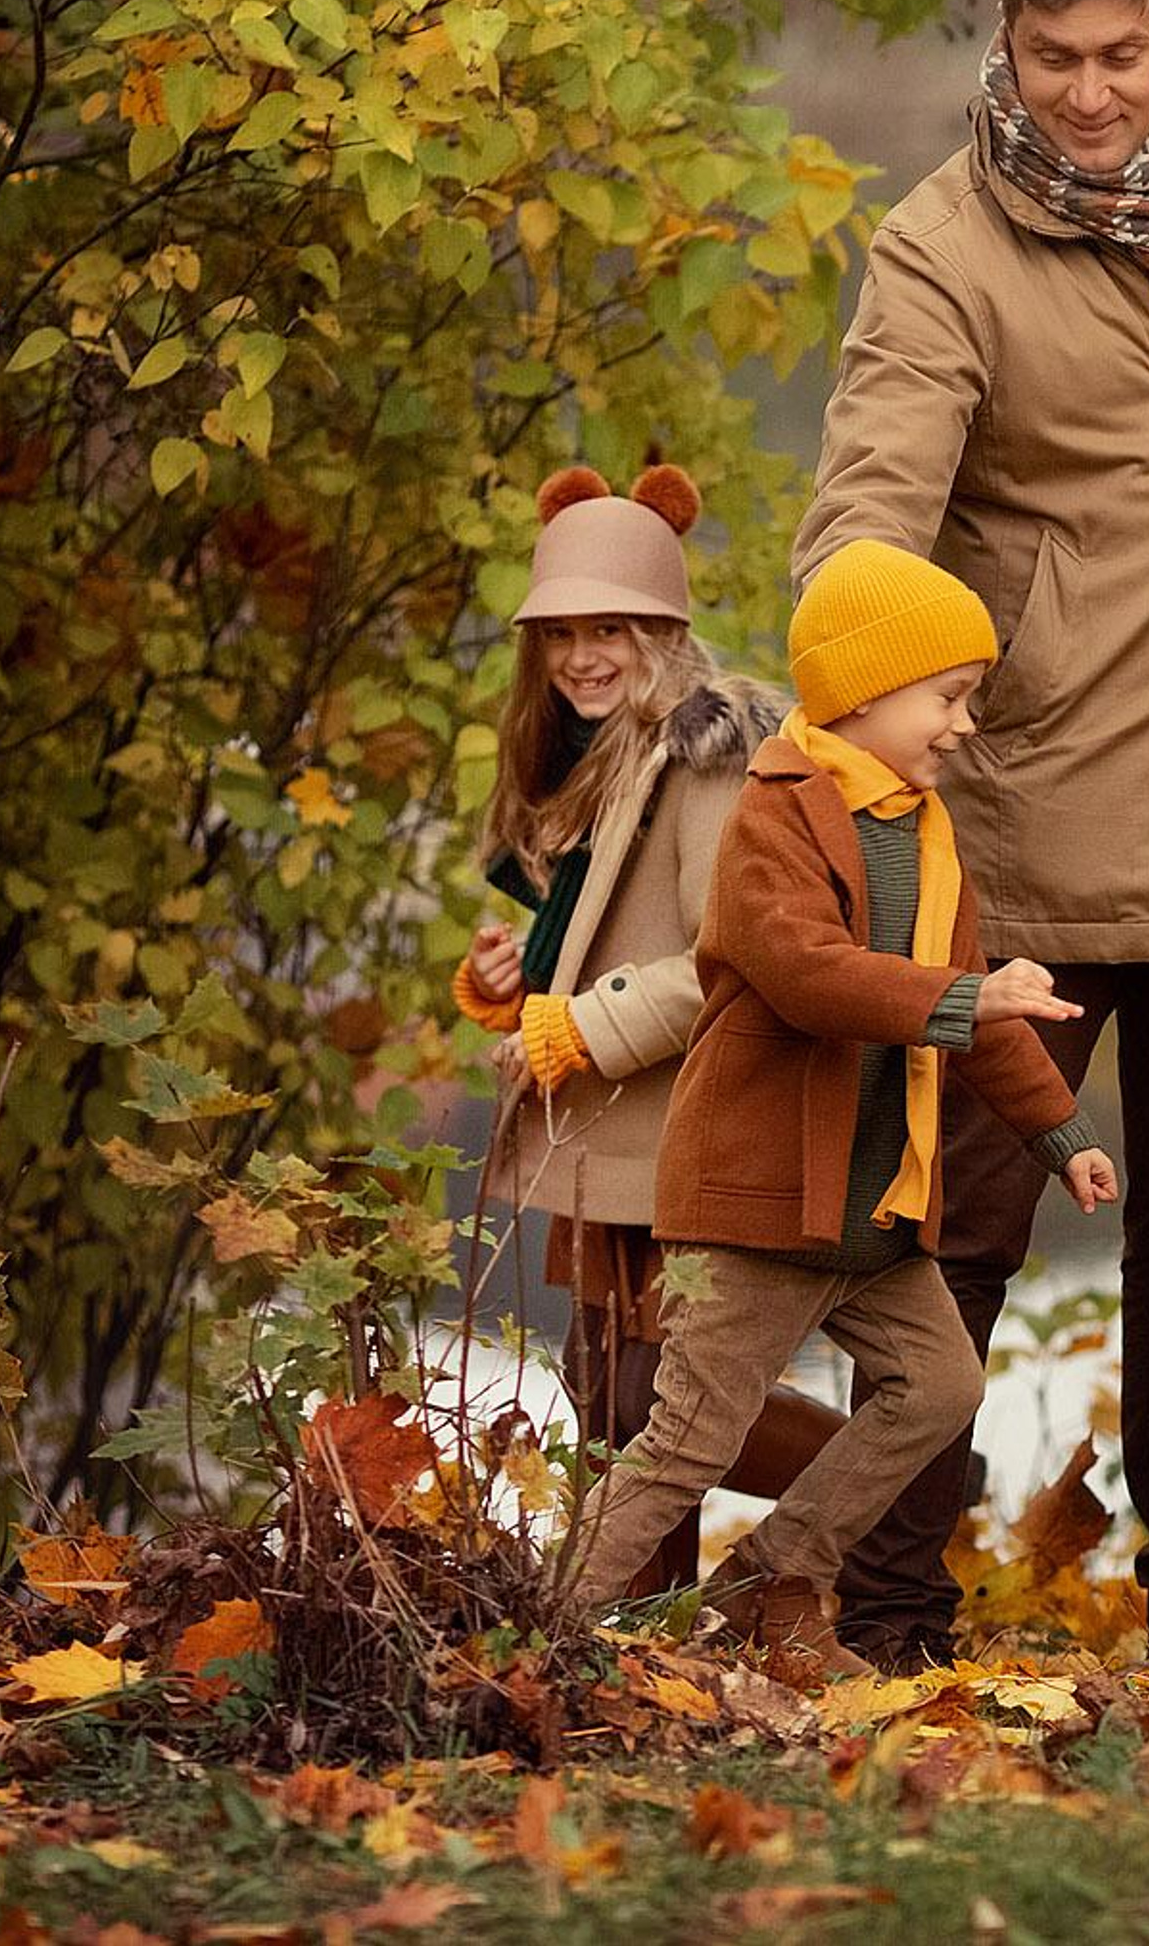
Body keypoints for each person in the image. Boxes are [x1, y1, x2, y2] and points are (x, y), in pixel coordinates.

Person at [795, 0, 1149, 1665]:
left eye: (1120, 54)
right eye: (1053, 58)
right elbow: (865, 523)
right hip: (1032, 816)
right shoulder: (940, 250)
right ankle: (885, 1607)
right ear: (1006, 44)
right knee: (957, 1230)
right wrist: (859, 722)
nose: (1089, 94)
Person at [558, 541, 1119, 1678]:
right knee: (687, 1440)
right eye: (946, 697)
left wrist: (1060, 1135)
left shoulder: (925, 829)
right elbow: (806, 975)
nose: (962, 725)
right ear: (864, 691)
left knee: (941, 1385)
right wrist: (963, 999)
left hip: (873, 1203)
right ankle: (527, 1630)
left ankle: (776, 1576)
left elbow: (970, 1004)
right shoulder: (776, 815)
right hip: (764, 1198)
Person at [460, 462, 839, 1592]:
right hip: (602, 1133)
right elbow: (590, 939)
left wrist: (577, 1028)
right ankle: (643, 1625)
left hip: (683, 1128)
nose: (582, 655)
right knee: (604, 1398)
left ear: (662, 631)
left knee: (657, 1397)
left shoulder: (704, 759)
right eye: (562, 632)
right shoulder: (582, 762)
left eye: (610, 629)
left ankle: (905, 1478)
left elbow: (727, 957)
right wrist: (509, 983)